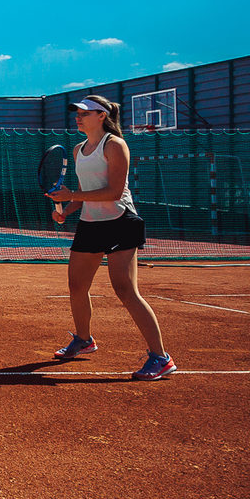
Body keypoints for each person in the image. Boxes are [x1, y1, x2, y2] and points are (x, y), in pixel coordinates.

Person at [46, 95, 177, 381]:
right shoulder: (79, 149)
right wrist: (66, 210)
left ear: (102, 116)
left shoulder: (115, 145)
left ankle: (160, 357)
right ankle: (84, 339)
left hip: (120, 222)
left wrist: (72, 196)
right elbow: (85, 189)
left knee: (125, 289)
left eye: (85, 113)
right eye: (77, 113)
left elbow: (114, 191)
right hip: (90, 224)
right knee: (76, 286)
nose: (78, 117)